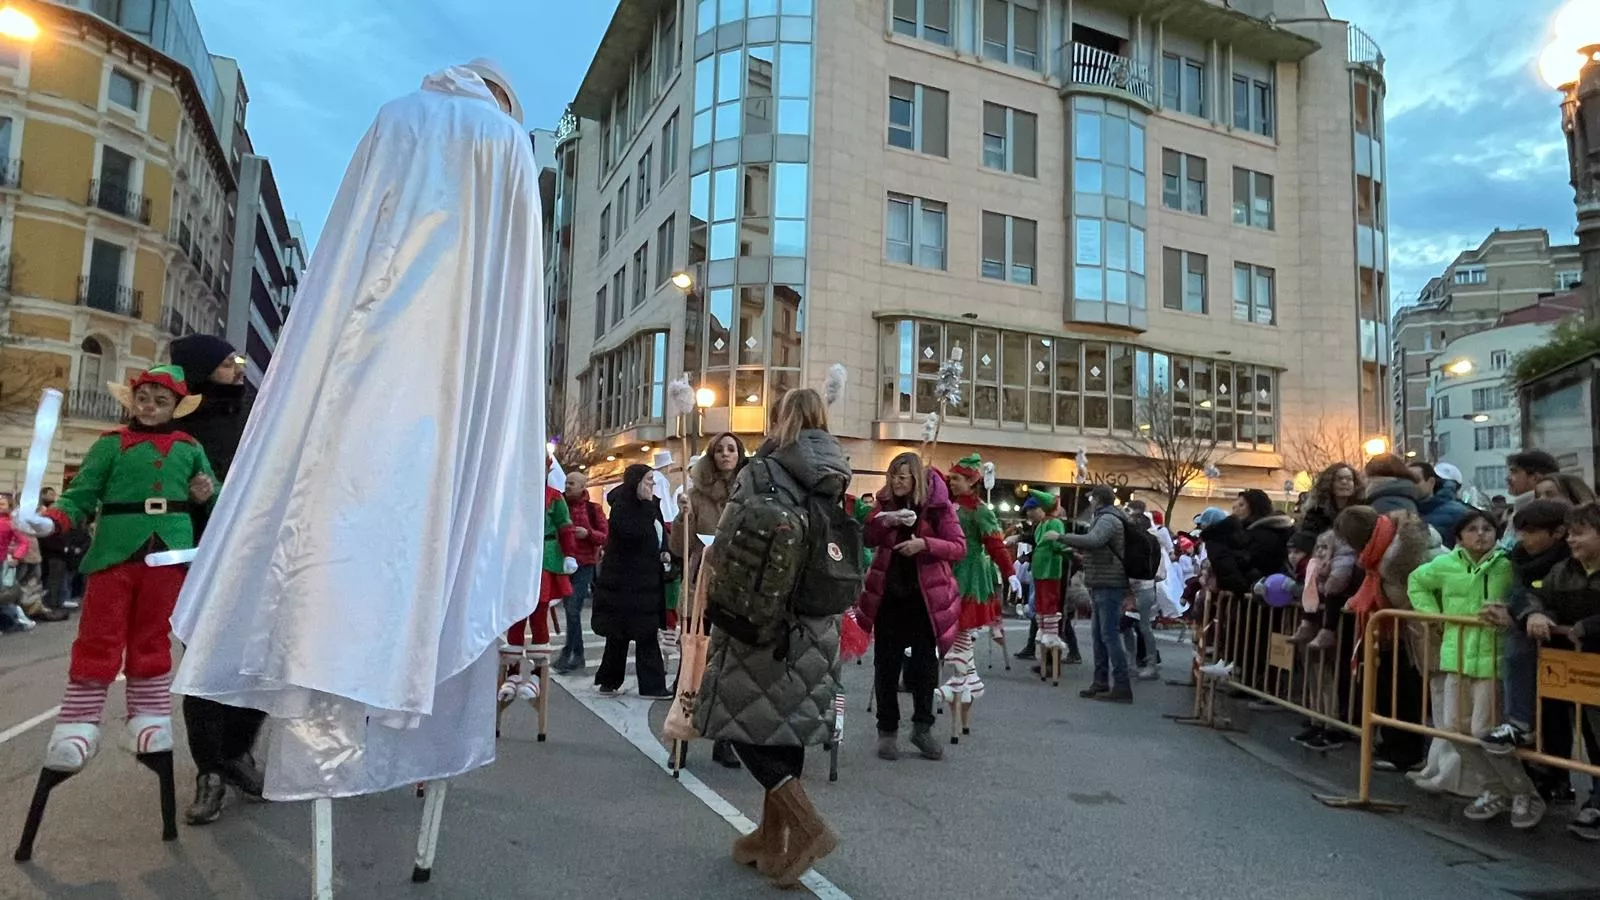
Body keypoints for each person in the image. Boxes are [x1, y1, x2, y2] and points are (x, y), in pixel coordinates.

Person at [168, 59, 549, 803]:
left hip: (361, 367)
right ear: (501, 96)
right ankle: (377, 715)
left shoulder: (396, 117)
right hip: (453, 385)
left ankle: (281, 721)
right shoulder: (507, 144)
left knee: (314, 557)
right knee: (427, 548)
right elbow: (511, 302)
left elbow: (347, 246)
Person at [12, 366, 216, 779]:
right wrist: (52, 522)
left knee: (153, 637)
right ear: (132, 401)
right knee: (99, 635)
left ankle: (149, 721)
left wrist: (208, 492)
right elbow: (80, 495)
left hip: (167, 554)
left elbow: (217, 493)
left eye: (161, 401)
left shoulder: (190, 447)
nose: (151, 407)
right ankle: (78, 726)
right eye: (144, 399)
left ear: (176, 406)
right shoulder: (111, 445)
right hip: (114, 550)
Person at [695, 388, 851, 887]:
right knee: (785, 726)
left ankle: (808, 828)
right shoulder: (835, 474)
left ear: (780, 418)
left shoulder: (762, 470)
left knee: (738, 723)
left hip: (762, 618)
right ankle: (770, 838)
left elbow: (729, 536)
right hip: (819, 618)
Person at [166, 335, 270, 825]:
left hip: (254, 551)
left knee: (260, 659)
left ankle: (237, 752)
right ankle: (210, 770)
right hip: (198, 554)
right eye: (228, 361)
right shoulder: (170, 418)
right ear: (202, 367)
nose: (236, 367)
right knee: (205, 663)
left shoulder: (258, 412)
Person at [857, 452, 964, 760]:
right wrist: (884, 522)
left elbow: (959, 547)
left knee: (923, 667)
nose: (896, 481)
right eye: (892, 475)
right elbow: (867, 538)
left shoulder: (938, 509)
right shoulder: (885, 504)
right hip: (889, 594)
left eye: (902, 476)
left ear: (916, 479)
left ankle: (922, 727)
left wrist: (925, 544)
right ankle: (887, 730)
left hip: (925, 599)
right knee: (886, 665)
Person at [1406, 511, 1514, 804]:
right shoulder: (1445, 564)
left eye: (1487, 529)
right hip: (1456, 654)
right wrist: (1433, 616)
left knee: (1483, 728)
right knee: (1454, 726)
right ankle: (1479, 785)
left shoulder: (1507, 565)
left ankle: (1510, 789)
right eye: (1472, 529)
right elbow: (1416, 582)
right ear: (1459, 536)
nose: (1480, 534)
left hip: (1493, 657)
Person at [1510, 501, 1600, 839]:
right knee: (1591, 733)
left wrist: (1589, 626)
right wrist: (1534, 613)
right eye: (1571, 534)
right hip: (1582, 670)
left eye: (1580, 534)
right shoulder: (1564, 570)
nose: (1572, 541)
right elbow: (1532, 595)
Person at [671, 432, 748, 768]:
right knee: (692, 661)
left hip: (736, 587)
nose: (726, 454)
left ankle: (725, 739)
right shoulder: (696, 495)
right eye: (720, 449)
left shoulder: (751, 495)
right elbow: (679, 547)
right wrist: (683, 517)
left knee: (729, 666)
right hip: (701, 585)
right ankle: (679, 736)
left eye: (731, 449)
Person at [938, 454, 1016, 708]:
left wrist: (1010, 572)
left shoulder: (981, 510)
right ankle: (968, 680)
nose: (952, 483)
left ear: (972, 482)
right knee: (952, 627)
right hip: (947, 568)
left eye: (957, 479)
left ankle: (962, 680)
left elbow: (995, 544)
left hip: (968, 572)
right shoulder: (948, 504)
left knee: (960, 625)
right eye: (950, 479)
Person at [499, 460, 579, 701]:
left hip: (544, 559)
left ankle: (536, 673)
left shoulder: (554, 497)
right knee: (515, 615)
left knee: (538, 615)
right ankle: (512, 672)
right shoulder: (513, 494)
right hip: (518, 559)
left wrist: (570, 553)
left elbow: (565, 527)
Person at [590, 464, 671, 699]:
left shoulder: (652, 505)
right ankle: (620, 681)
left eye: (652, 481)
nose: (651, 486)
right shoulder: (622, 507)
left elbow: (658, 533)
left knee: (642, 633)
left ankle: (639, 683)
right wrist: (646, 506)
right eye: (647, 480)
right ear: (635, 482)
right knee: (621, 633)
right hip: (625, 581)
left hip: (647, 581)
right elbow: (634, 534)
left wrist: (664, 550)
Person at [1062, 485, 1133, 703]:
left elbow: (1094, 541)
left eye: (1092, 498)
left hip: (1109, 584)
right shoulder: (1109, 518)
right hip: (1102, 581)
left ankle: (1121, 685)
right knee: (1099, 636)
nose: (1090, 502)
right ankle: (1100, 681)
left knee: (1109, 635)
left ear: (1097, 499)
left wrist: (1062, 537)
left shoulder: (1108, 519)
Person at [556, 471, 607, 675]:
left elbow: (604, 535)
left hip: (584, 564)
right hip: (563, 563)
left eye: (572, 483)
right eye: (567, 482)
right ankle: (572, 652)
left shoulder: (593, 509)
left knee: (573, 608)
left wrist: (588, 534)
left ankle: (574, 653)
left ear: (582, 486)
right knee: (571, 609)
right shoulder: (559, 504)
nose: (568, 486)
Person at [1019, 490, 1073, 662]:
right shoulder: (1047, 524)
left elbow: (1056, 545)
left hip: (1048, 569)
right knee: (1043, 604)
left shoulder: (1051, 524)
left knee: (1048, 603)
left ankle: (1049, 641)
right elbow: (1051, 544)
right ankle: (1044, 636)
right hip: (1044, 569)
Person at [1501, 450, 1561, 549]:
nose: (1508, 478)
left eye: (1514, 472)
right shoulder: (1513, 511)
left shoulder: (1546, 514)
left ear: (1535, 477)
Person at [1410, 461, 1473, 548]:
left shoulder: (1459, 513)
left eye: (1415, 480)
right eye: (1406, 480)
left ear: (1432, 482)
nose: (1410, 485)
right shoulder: (1400, 509)